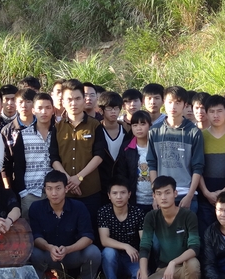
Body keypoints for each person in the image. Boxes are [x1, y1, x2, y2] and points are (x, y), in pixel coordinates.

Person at [138, 176, 202, 279]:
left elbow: (195, 248)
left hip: (183, 269)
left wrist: (173, 262)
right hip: (163, 270)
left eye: (167, 192)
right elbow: (145, 247)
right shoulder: (151, 217)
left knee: (193, 263)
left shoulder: (188, 215)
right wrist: (144, 278)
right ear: (154, 196)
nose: (163, 197)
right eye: (159, 193)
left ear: (175, 193)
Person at [28, 171, 101, 279]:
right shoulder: (36, 208)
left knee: (93, 252)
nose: (54, 193)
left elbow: (88, 237)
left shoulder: (79, 207)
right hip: (48, 254)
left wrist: (68, 249)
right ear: (45, 190)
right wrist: (49, 248)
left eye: (58, 188)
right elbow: (35, 236)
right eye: (49, 189)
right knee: (33, 252)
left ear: (66, 189)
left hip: (72, 254)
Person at [50, 79, 108, 221]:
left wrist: (79, 177)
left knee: (90, 228)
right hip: (65, 191)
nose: (73, 103)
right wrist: (69, 179)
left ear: (83, 100)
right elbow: (54, 157)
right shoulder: (57, 127)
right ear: (63, 102)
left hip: (90, 190)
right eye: (69, 99)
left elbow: (99, 155)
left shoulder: (95, 125)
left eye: (77, 99)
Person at [146, 86, 204, 213]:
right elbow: (152, 164)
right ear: (164, 103)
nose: (173, 106)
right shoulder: (154, 131)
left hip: (186, 194)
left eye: (178, 103)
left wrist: (190, 195)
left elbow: (198, 166)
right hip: (162, 195)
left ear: (185, 105)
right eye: (170, 102)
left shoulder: (194, 132)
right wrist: (155, 195)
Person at [8, 93, 57, 218]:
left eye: (48, 108)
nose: (44, 112)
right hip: (31, 193)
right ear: (34, 110)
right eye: (40, 108)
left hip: (55, 192)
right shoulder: (24, 135)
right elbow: (18, 166)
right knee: (29, 227)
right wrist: (23, 192)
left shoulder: (59, 134)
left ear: (53, 110)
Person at [195, 94, 225, 237]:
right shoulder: (200, 136)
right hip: (205, 197)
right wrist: (207, 193)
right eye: (211, 111)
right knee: (206, 235)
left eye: (219, 111)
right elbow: (196, 167)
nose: (215, 115)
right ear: (206, 114)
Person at [98, 179, 145, 279]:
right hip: (114, 257)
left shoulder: (138, 213)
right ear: (109, 195)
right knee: (108, 252)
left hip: (133, 257)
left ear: (129, 194)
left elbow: (144, 241)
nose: (119, 197)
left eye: (123, 193)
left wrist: (143, 266)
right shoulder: (104, 212)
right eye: (114, 193)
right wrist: (126, 246)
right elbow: (104, 240)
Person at [114, 111, 154, 214]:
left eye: (143, 124)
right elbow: (121, 173)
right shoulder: (126, 147)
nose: (139, 128)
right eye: (135, 125)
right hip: (135, 200)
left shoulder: (157, 146)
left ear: (150, 125)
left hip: (156, 200)